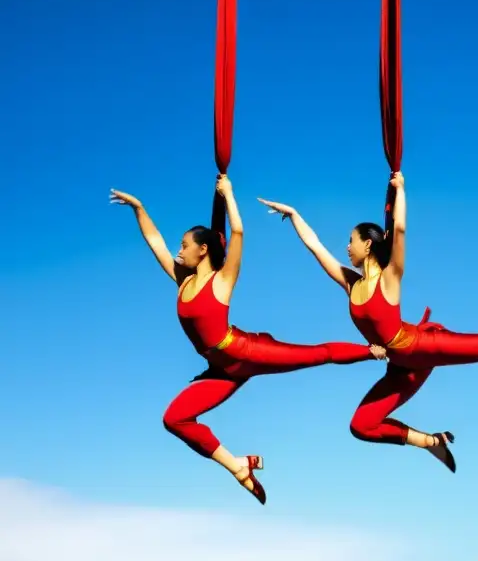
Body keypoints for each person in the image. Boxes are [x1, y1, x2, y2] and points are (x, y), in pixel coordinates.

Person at [258, 171, 478, 473]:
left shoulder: (390, 277)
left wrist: (400, 189)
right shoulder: (352, 282)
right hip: (400, 367)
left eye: (351, 241)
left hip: (424, 346)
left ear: (367, 244)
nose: (346, 247)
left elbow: (401, 228)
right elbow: (316, 248)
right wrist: (295, 216)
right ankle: (429, 442)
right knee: (361, 426)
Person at [110, 173, 386, 504]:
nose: (178, 250)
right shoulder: (181, 279)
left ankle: (371, 352)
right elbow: (155, 241)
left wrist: (227, 194)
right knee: (174, 419)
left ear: (203, 249)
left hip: (248, 351)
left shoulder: (223, 279)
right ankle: (239, 467)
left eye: (184, 245)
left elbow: (238, 231)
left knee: (317, 354)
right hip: (222, 368)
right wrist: (139, 209)